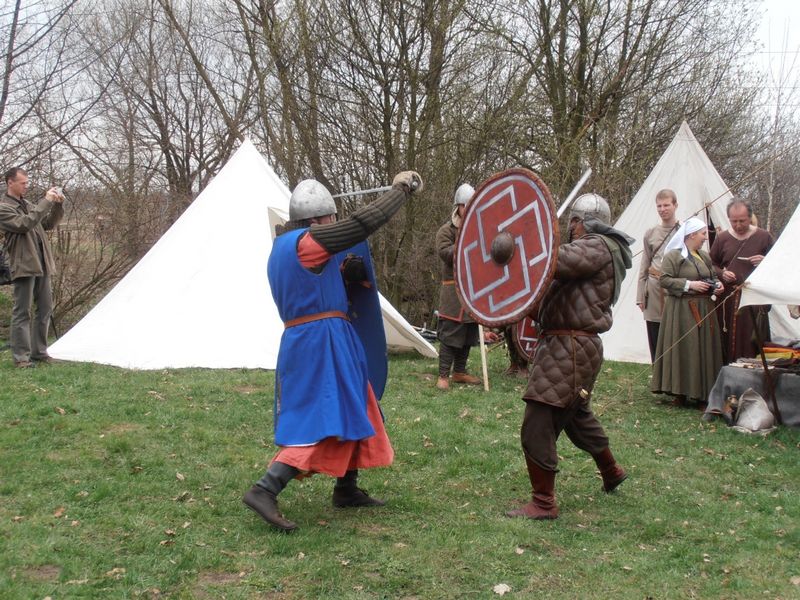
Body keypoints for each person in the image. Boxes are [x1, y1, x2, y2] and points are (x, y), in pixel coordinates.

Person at [242, 171, 422, 532]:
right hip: (318, 343)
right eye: (330, 219)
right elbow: (361, 224)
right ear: (316, 220)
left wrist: (344, 275)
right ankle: (266, 488)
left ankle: (346, 488)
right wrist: (400, 190)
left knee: (357, 405)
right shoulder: (307, 243)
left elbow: (314, 285)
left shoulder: (283, 248)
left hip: (324, 337)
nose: (334, 224)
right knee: (320, 417)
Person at [506, 193, 632, 521]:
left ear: (580, 222)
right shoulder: (594, 253)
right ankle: (611, 471)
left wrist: (522, 243)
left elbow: (553, 261)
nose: (571, 228)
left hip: (570, 348)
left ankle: (543, 502)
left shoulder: (597, 246)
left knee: (538, 420)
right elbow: (549, 305)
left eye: (573, 222)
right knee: (576, 416)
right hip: (569, 345)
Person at [651, 217, 724, 407]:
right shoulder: (673, 256)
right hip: (682, 310)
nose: (705, 237)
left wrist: (717, 285)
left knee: (702, 350)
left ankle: (702, 394)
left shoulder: (704, 256)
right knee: (684, 349)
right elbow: (664, 280)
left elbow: (713, 276)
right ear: (691, 235)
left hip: (704, 308)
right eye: (702, 234)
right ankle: (680, 393)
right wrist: (689, 284)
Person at [434, 183, 497, 390]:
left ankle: (459, 372)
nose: (467, 209)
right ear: (458, 207)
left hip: (473, 290)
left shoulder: (481, 229)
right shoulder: (446, 230)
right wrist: (467, 239)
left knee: (469, 334)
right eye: (464, 206)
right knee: (450, 334)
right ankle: (443, 375)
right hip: (453, 290)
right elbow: (445, 254)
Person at [0, 168, 64, 368]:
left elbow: (47, 224)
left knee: (45, 308)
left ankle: (39, 352)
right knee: (22, 311)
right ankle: (21, 358)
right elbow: (25, 224)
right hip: (24, 265)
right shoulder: (3, 208)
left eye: (27, 183)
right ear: (10, 182)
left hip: (42, 263)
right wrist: (45, 201)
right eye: (23, 183)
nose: (26, 186)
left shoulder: (28, 205)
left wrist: (57, 205)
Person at [709, 199, 774, 363]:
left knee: (752, 339)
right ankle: (729, 371)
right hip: (729, 300)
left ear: (750, 217)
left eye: (742, 221)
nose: (738, 225)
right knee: (728, 339)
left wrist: (765, 261)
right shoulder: (722, 238)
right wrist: (723, 273)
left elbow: (777, 263)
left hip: (754, 299)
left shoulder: (763, 237)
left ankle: (754, 373)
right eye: (734, 221)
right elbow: (711, 264)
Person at [636, 189, 680, 362]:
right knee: (655, 335)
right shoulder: (651, 233)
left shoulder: (683, 231)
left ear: (675, 205)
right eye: (659, 206)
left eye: (666, 205)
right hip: (654, 290)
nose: (662, 209)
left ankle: (673, 373)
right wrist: (640, 295)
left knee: (675, 335)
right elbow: (644, 265)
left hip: (675, 289)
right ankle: (657, 371)